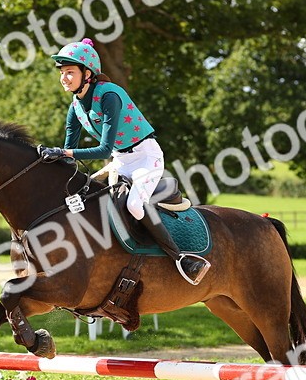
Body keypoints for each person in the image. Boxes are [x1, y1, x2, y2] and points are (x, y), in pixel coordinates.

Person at [42, 38, 210, 285]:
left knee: (134, 206)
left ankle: (182, 259)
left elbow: (102, 150)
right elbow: (69, 151)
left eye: (69, 72)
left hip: (146, 157)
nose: (64, 78)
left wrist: (64, 153)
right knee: (91, 199)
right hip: (121, 160)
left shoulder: (109, 95)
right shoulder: (75, 106)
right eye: (62, 73)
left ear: (87, 74)